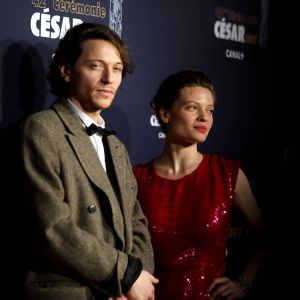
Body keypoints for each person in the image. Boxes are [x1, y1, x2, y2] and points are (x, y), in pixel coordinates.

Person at [20, 22, 158, 300]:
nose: (109, 78)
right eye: (96, 66)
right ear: (66, 70)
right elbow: (53, 229)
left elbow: (137, 223)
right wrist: (125, 275)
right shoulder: (42, 129)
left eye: (117, 68)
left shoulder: (116, 146)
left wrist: (134, 281)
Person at [133, 70, 264, 299]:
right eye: (193, 107)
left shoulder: (227, 174)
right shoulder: (137, 179)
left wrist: (244, 283)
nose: (204, 117)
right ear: (165, 114)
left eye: (210, 110)